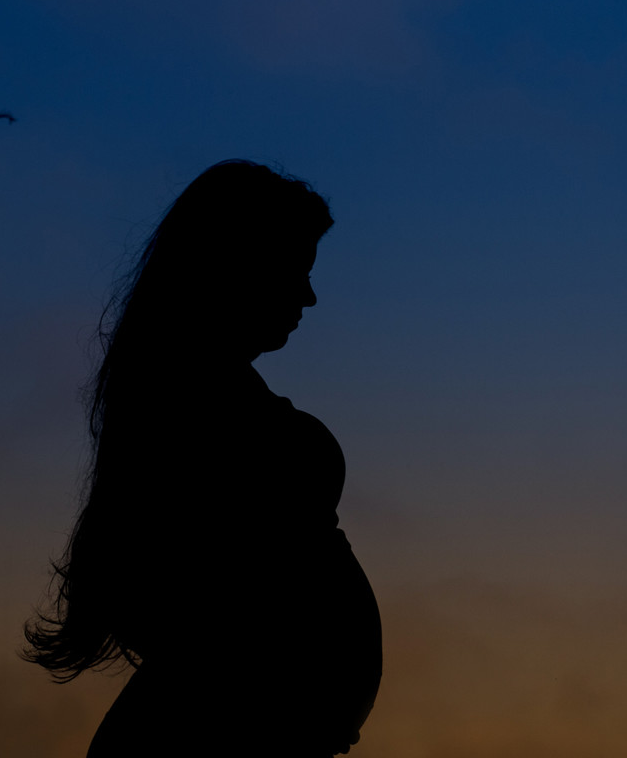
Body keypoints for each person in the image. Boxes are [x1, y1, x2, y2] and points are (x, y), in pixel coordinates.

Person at [24, 160, 381, 756]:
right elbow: (184, 589)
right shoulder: (183, 409)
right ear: (235, 265)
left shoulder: (204, 397)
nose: (309, 295)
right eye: (296, 269)